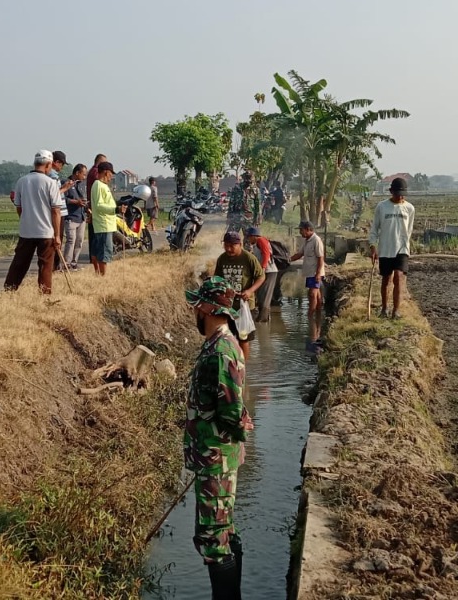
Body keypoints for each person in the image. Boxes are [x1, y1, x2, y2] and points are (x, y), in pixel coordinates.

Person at [184, 276, 252, 598]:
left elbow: (231, 411)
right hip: (214, 455)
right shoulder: (220, 344)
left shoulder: (220, 351)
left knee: (214, 536)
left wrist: (241, 426)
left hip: (216, 458)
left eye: (198, 304)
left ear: (210, 308)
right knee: (222, 530)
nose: (195, 310)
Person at [4, 150, 64, 293]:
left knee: (20, 262)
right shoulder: (51, 183)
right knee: (45, 265)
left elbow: (19, 207)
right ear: (49, 164)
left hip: (27, 230)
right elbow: (56, 211)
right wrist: (57, 235)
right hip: (46, 231)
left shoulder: (22, 181)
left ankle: (10, 289)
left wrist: (26, 220)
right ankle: (44, 293)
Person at [213, 231, 264, 360]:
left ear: (240, 244)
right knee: (227, 338)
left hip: (244, 306)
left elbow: (261, 277)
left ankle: (242, 369)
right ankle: (230, 366)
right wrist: (220, 291)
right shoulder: (222, 259)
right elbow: (217, 279)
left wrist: (250, 291)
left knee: (243, 338)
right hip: (227, 307)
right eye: (226, 245)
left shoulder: (249, 258)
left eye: (232, 246)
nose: (229, 249)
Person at [369, 177, 416, 319]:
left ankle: (396, 310)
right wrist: (373, 246)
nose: (400, 196)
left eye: (402, 194)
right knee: (386, 279)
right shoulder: (382, 207)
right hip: (385, 248)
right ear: (391, 192)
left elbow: (409, 230)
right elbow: (374, 229)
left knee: (399, 277)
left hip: (402, 249)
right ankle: (384, 308)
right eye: (397, 193)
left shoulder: (409, 208)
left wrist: (405, 246)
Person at [290, 219, 325, 324]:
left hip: (315, 272)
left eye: (301, 230)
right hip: (310, 272)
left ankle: (310, 317)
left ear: (308, 229)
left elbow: (320, 258)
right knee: (317, 295)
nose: (300, 232)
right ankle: (318, 316)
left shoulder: (316, 240)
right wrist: (288, 260)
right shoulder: (307, 241)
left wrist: (318, 273)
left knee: (312, 294)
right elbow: (300, 254)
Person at [88, 161, 118, 276]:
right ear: (106, 172)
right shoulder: (99, 185)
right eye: (111, 174)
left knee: (97, 251)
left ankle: (98, 274)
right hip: (104, 224)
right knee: (104, 252)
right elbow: (99, 205)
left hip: (103, 224)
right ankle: (102, 276)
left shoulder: (100, 185)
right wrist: (115, 210)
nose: (111, 177)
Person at [245, 226, 279, 323]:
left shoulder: (261, 240)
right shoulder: (257, 243)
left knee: (264, 296)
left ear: (254, 236)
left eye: (249, 237)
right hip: (264, 272)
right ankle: (263, 317)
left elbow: (266, 254)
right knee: (260, 295)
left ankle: (263, 320)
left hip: (269, 271)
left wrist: (263, 268)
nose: (248, 239)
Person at [61, 163, 88, 270]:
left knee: (79, 241)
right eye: (83, 174)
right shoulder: (66, 183)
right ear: (77, 173)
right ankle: (66, 263)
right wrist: (76, 202)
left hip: (81, 216)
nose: (84, 177)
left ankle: (74, 262)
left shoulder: (81, 184)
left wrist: (86, 206)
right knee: (71, 240)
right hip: (71, 217)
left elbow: (82, 198)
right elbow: (63, 199)